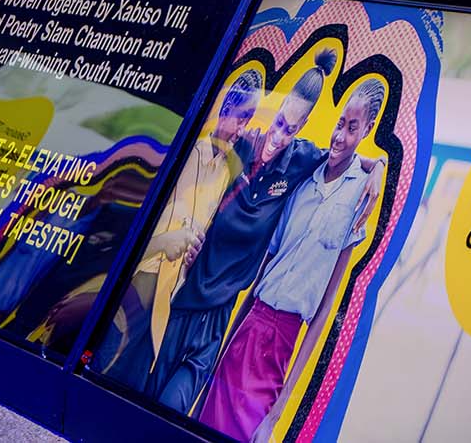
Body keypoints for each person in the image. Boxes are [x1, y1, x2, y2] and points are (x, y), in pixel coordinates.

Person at [148, 50, 338, 415]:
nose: (279, 136)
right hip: (182, 298)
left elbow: (345, 161)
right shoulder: (242, 145)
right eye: (280, 122)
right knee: (146, 399)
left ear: (303, 127)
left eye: (292, 129)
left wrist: (375, 168)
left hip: (218, 315)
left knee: (172, 410)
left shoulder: (299, 160)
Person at [196, 79, 386, 441]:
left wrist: (279, 411)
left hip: (282, 339)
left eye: (352, 127)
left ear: (368, 129)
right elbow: (262, 273)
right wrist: (227, 343)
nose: (340, 135)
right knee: (203, 427)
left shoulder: (360, 197)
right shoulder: (302, 174)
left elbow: (324, 309)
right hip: (250, 324)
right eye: (339, 123)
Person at [108, 69, 264, 388]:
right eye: (240, 116)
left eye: (248, 119)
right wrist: (167, 240)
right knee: (102, 371)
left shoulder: (226, 172)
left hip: (170, 302)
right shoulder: (184, 152)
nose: (241, 127)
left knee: (127, 388)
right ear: (225, 109)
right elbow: (125, 226)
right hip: (136, 285)